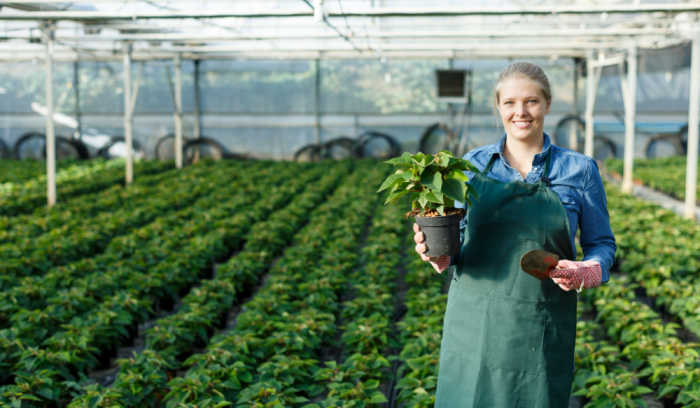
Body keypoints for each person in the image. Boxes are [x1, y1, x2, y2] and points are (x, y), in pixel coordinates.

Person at [413, 62, 616, 407]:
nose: (520, 112)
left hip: (541, 323)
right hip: (476, 321)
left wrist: (591, 269)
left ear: (548, 105)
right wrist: (440, 254)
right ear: (498, 107)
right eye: (509, 103)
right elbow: (455, 237)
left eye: (531, 101)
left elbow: (601, 243)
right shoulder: (470, 168)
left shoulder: (579, 170)